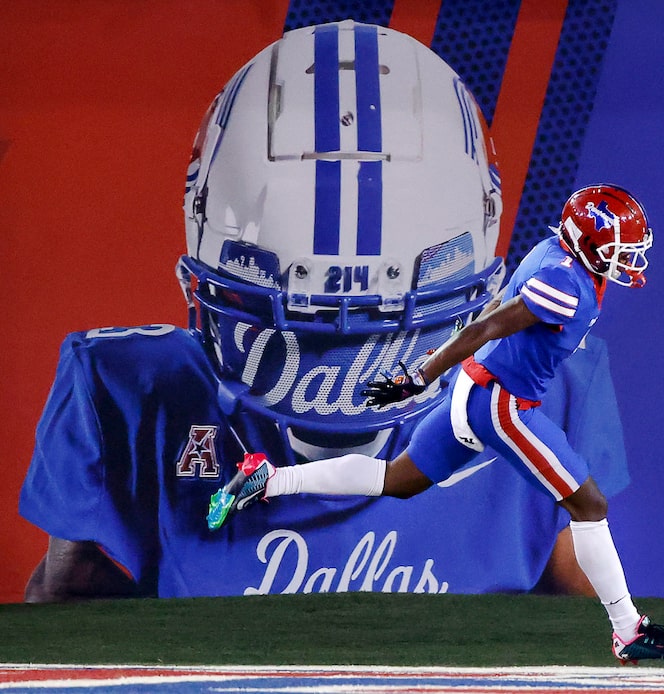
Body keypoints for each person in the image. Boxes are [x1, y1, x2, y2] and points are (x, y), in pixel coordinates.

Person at [18, 21, 628, 603]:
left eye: (380, 321)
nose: (344, 344)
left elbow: (68, 607)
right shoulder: (126, 386)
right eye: (308, 334)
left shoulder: (132, 387)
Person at [208, 182, 664, 664]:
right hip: (503, 403)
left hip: (478, 386)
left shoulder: (554, 252)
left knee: (396, 480)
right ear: (591, 244)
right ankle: (628, 631)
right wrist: (422, 374)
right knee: (588, 504)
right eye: (621, 249)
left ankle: (269, 479)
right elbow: (490, 325)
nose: (629, 260)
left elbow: (493, 309)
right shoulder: (566, 284)